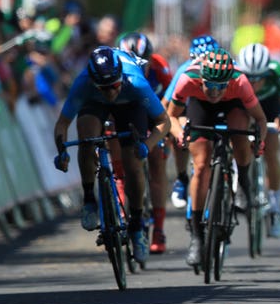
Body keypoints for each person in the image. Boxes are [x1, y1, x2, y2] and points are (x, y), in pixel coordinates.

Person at [53, 46, 170, 263]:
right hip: (93, 103)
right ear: (94, 81)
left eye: (114, 86)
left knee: (133, 161)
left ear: (120, 78)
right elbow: (62, 124)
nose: (111, 93)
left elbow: (164, 122)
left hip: (130, 105)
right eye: (104, 88)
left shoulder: (136, 82)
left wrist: (148, 144)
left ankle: (136, 226)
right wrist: (61, 150)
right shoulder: (84, 83)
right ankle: (89, 199)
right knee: (87, 139)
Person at [166, 48, 267, 268]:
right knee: (201, 165)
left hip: (234, 106)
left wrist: (258, 142)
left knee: (240, 134)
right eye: (210, 85)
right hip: (199, 107)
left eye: (220, 86)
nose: (214, 92)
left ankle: (242, 180)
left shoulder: (239, 82)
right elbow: (171, 116)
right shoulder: (188, 79)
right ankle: (196, 235)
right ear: (201, 78)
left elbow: (260, 119)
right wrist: (179, 134)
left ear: (228, 81)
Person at [118, 32, 173, 254]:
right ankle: (122, 214)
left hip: (154, 110)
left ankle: (158, 228)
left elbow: (172, 100)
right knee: (121, 163)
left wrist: (165, 133)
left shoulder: (159, 66)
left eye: (144, 61)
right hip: (126, 111)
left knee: (157, 165)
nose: (141, 66)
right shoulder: (114, 68)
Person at [236, 43, 280, 238]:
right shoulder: (236, 73)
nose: (254, 83)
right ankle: (239, 184)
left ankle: (275, 207)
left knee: (271, 151)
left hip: (269, 105)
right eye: (249, 78)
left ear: (266, 73)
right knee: (237, 140)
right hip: (244, 104)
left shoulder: (276, 70)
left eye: (258, 78)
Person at [162, 34, 220, 210]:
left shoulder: (222, 68)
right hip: (187, 107)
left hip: (215, 103)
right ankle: (181, 177)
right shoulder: (185, 71)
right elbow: (166, 104)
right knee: (182, 128)